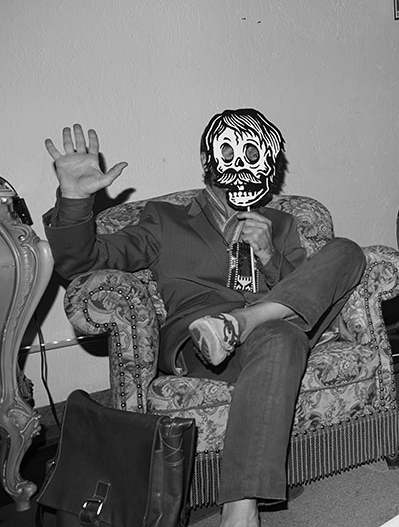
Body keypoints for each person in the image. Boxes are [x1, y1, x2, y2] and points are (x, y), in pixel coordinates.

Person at [42, 109, 366, 527]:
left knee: (347, 252)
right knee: (282, 337)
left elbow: (306, 293)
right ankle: (241, 512)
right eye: (227, 152)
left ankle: (245, 322)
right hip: (201, 341)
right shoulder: (164, 219)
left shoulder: (281, 223)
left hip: (276, 325)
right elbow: (83, 262)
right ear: (207, 158)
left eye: (252, 153)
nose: (239, 163)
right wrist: (74, 199)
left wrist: (269, 255)